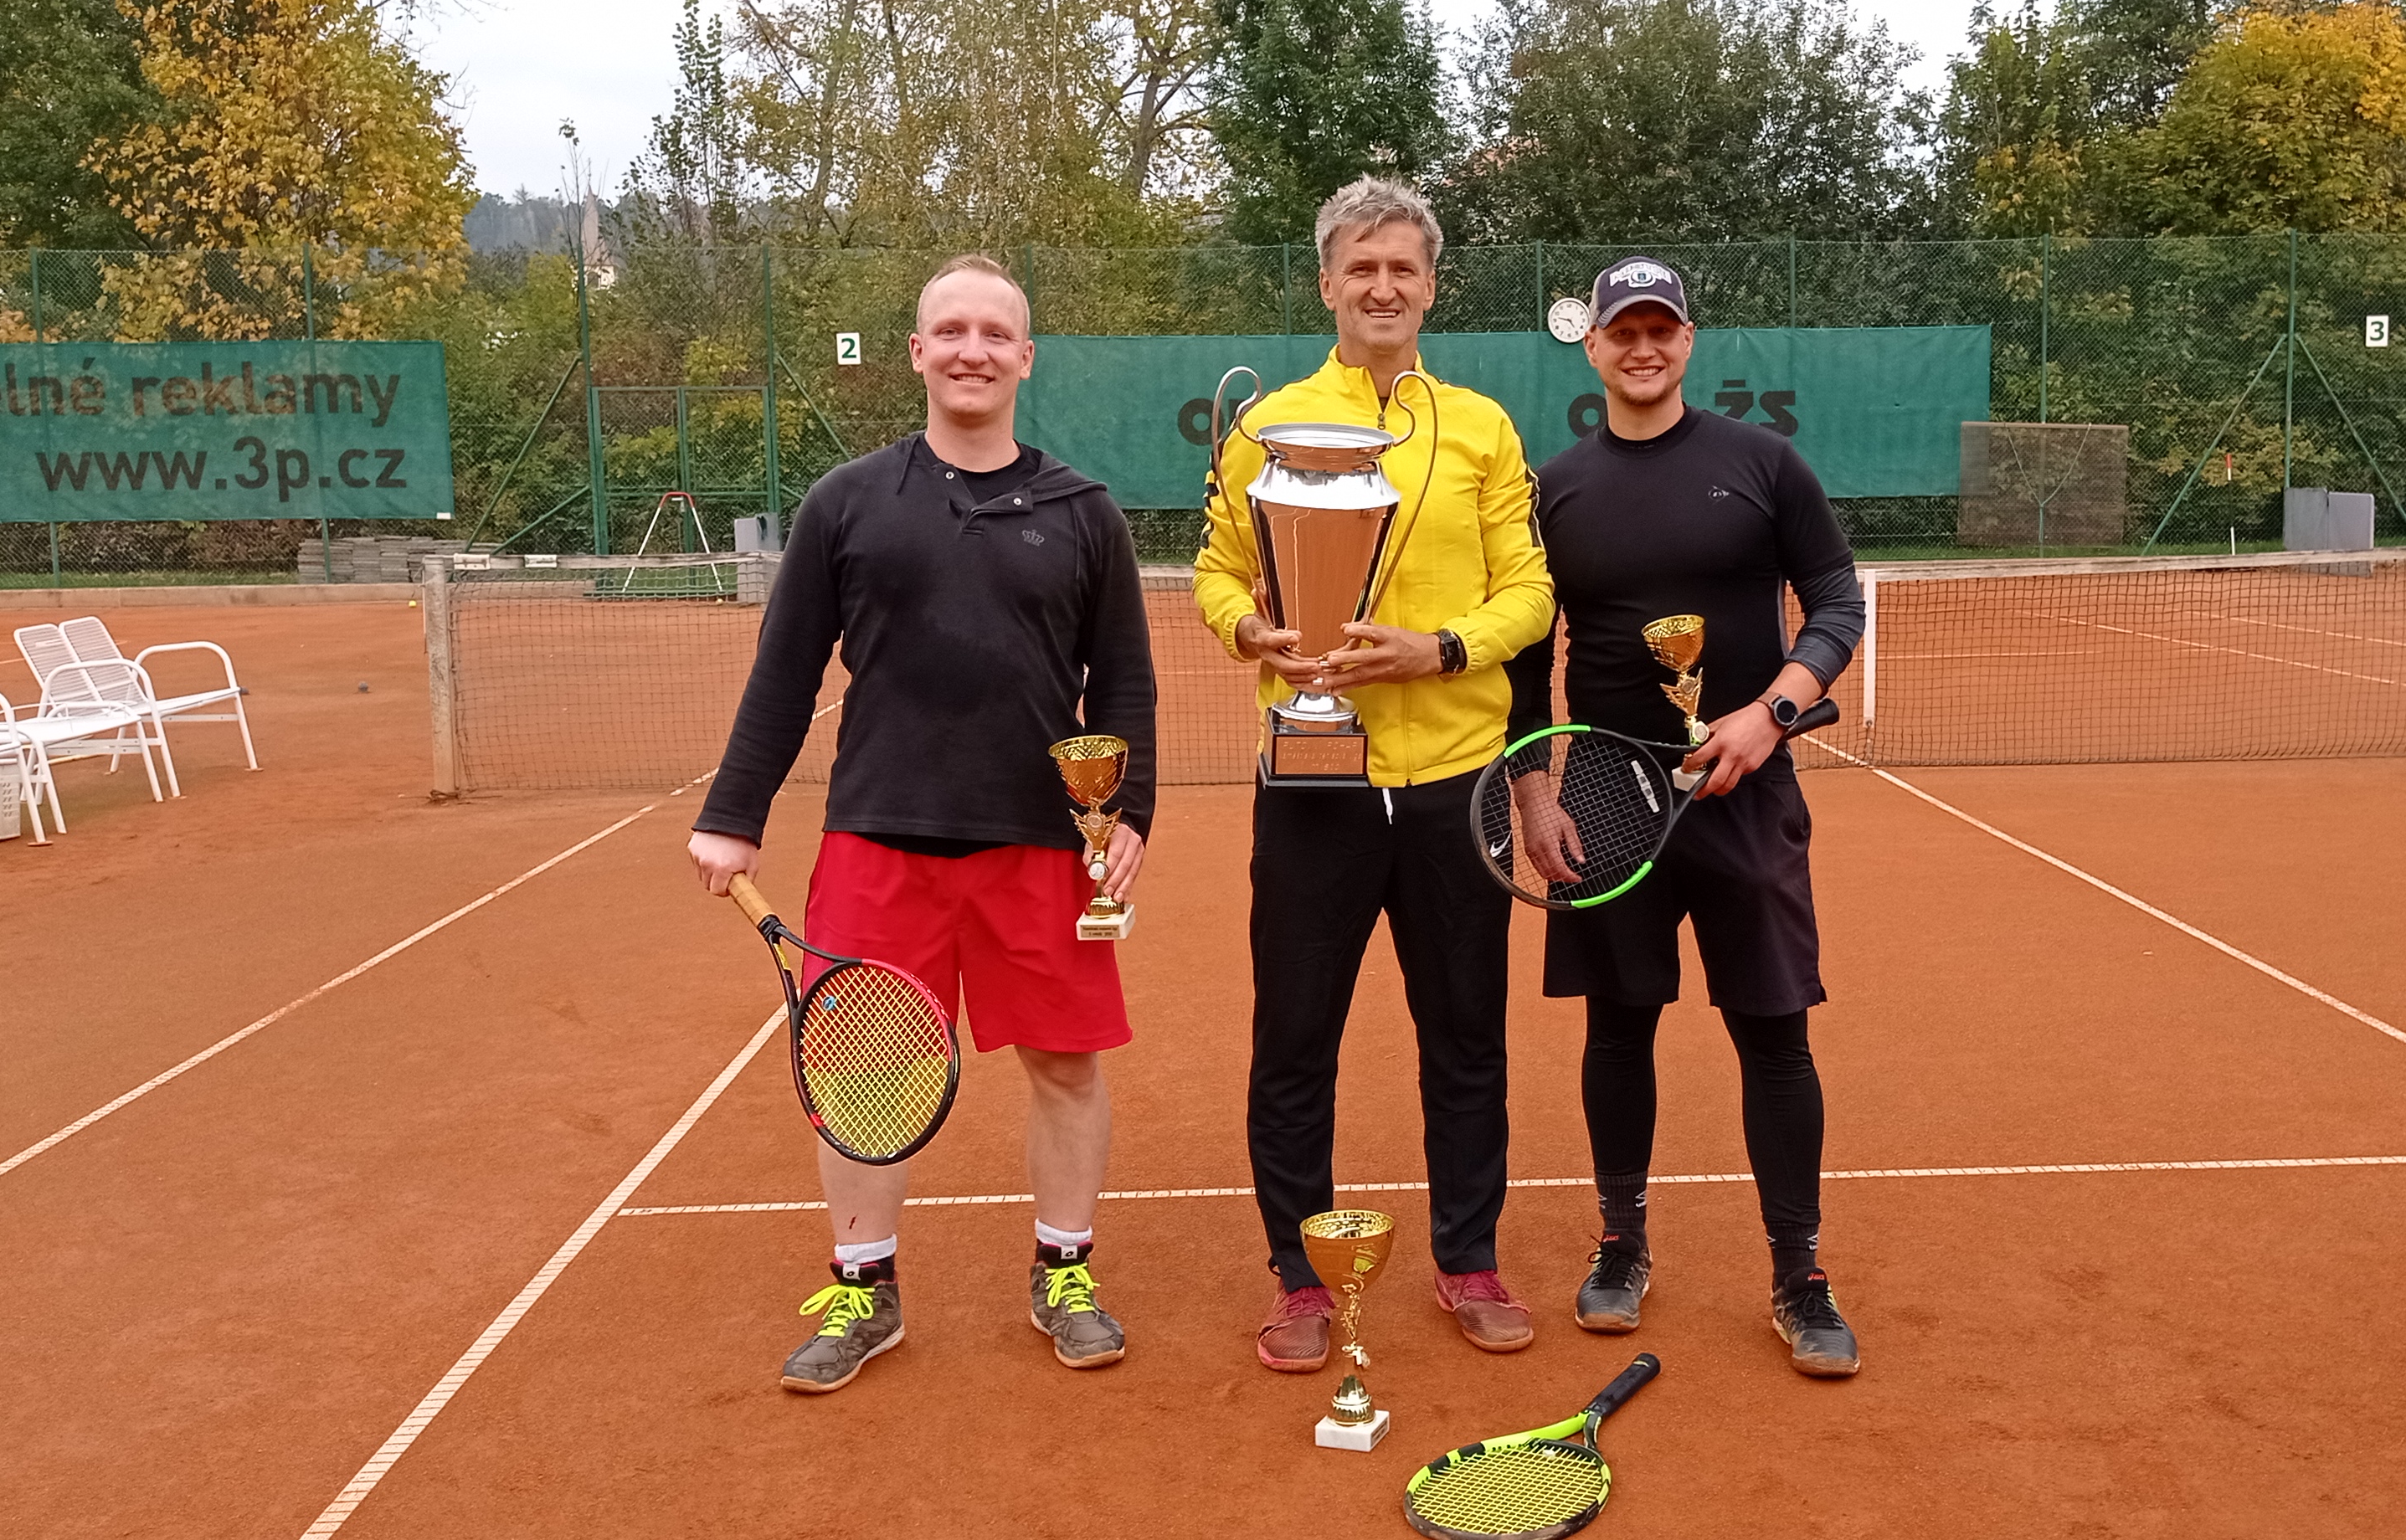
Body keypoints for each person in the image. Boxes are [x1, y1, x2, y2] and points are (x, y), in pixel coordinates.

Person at [687, 254, 1157, 1391]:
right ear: (917, 352)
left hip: (1042, 845)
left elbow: (1125, 683)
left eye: (994, 334)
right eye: (950, 331)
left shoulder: (1085, 513)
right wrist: (733, 813)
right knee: (862, 1081)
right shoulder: (846, 502)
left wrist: (1128, 812)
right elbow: (785, 670)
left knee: (1065, 1068)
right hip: (877, 839)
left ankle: (1065, 1271)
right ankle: (865, 1289)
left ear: (1025, 358)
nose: (971, 351)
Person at [1191, 177, 1555, 1371]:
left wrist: (1436, 649)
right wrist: (1251, 631)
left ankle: (1469, 1259)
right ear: (1327, 285)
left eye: (1403, 267)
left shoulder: (1485, 429)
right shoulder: (1267, 426)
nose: (1383, 287)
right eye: (1362, 267)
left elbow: (1530, 594)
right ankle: (1300, 1278)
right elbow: (1216, 574)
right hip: (1313, 784)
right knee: (1296, 1038)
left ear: (1432, 286)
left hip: (1458, 778)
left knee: (1467, 1038)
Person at [1506, 255, 1868, 1378]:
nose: (1643, 347)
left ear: (1688, 340)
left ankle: (1799, 1275)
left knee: (1774, 1033)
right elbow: (1525, 655)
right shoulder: (1556, 490)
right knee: (1618, 1027)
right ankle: (1622, 1245)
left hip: (1745, 788)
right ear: (1594, 347)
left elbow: (1836, 600)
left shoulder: (1762, 464)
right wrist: (1534, 788)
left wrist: (1772, 713)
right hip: (1606, 798)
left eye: (1660, 328)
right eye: (1624, 330)